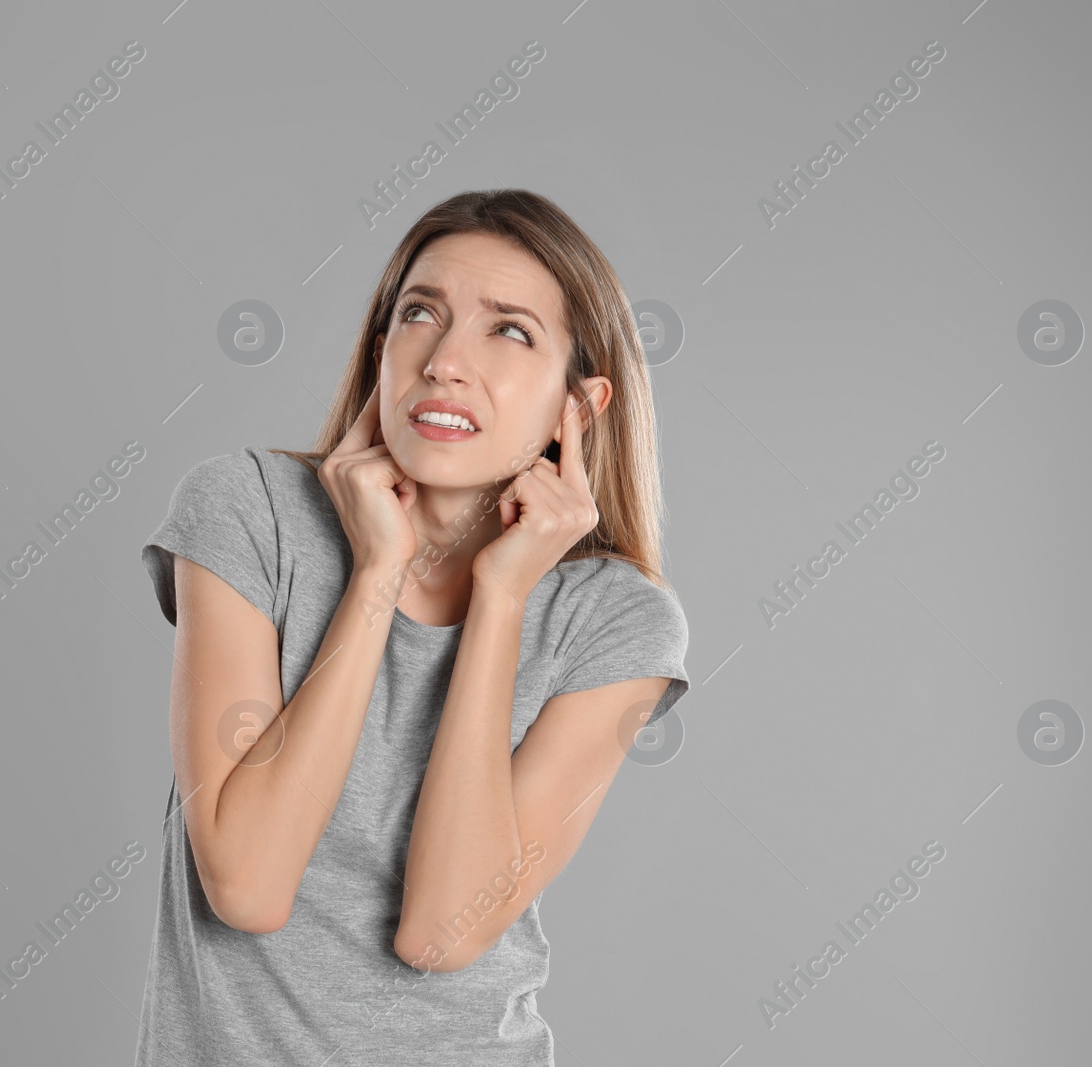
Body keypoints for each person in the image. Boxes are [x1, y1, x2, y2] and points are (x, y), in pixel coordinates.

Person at [133, 189, 690, 1066]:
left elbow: (441, 931)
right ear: (380, 351)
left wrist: (501, 600)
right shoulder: (250, 513)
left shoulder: (614, 621)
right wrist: (375, 575)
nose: (444, 361)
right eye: (421, 314)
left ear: (574, 408)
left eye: (508, 330)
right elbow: (245, 882)